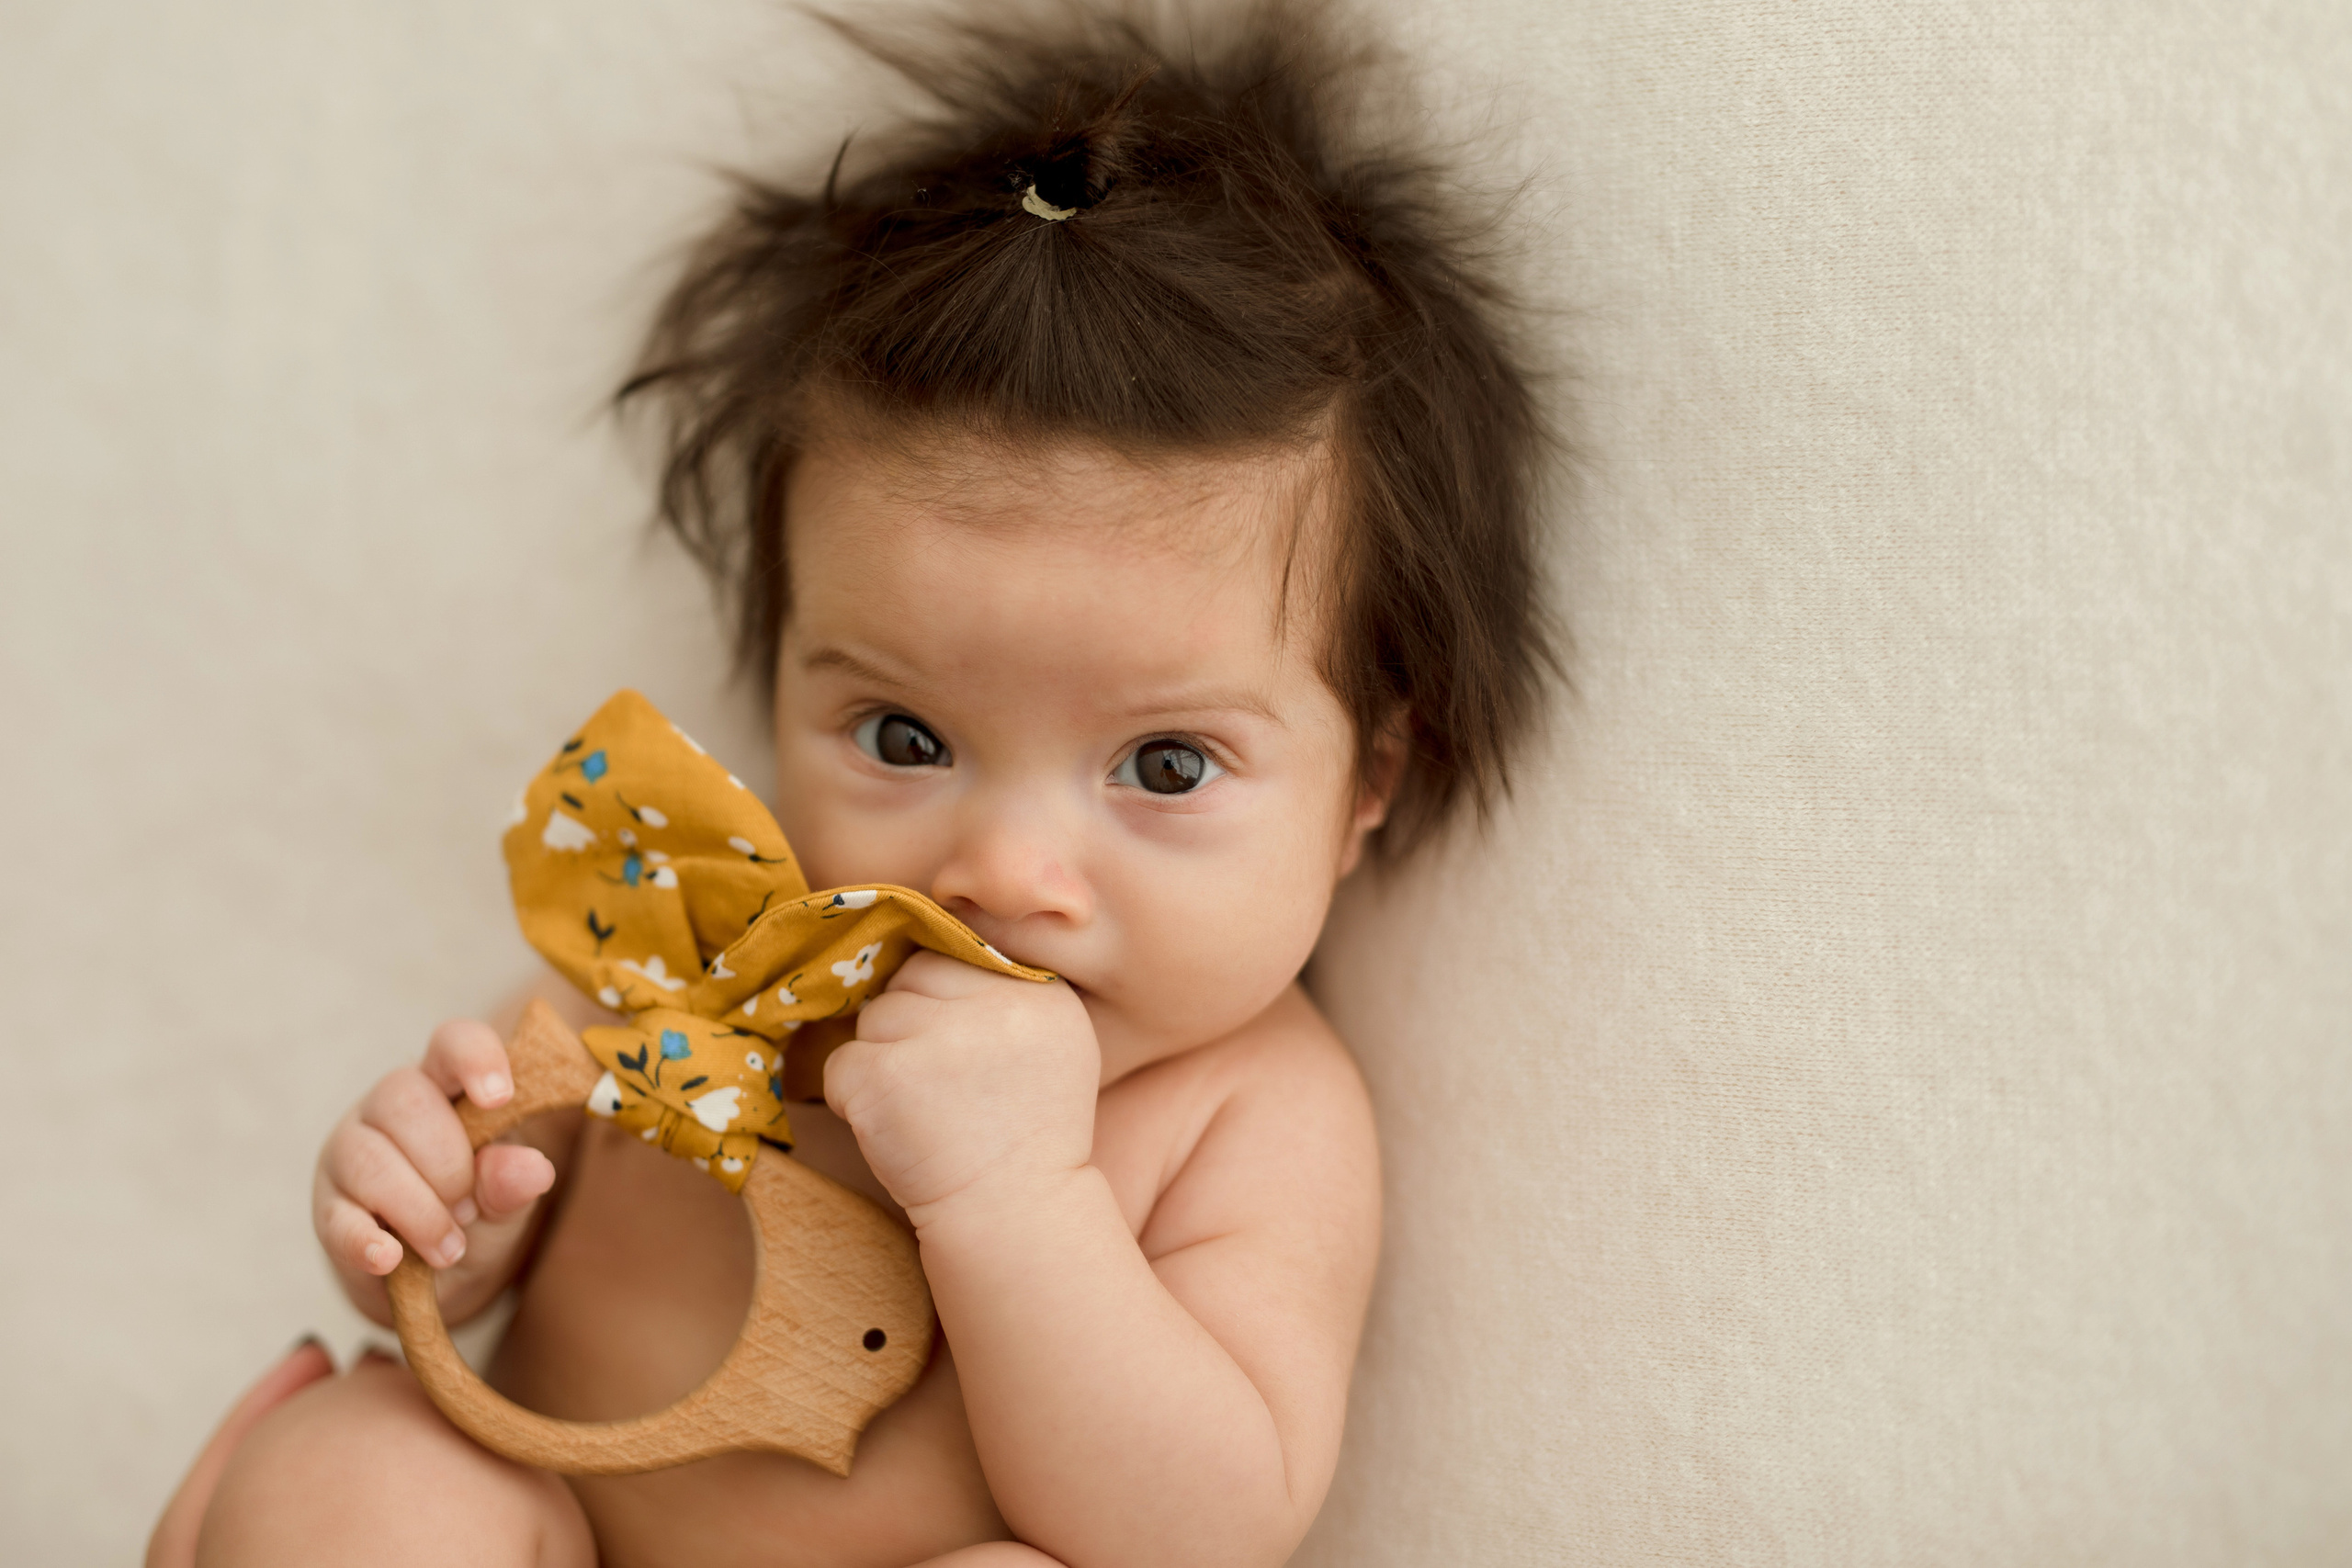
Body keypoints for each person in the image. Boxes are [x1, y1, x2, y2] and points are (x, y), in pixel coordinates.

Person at [154, 4, 1555, 1563]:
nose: (1004, 869)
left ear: (1369, 779)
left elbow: (1198, 1530)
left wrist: (1016, 1198)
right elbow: (477, 1221)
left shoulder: (1246, 1110)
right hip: (554, 1534)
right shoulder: (697, 949)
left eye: (1164, 765)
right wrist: (433, 1221)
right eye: (903, 738)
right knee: (368, 1462)